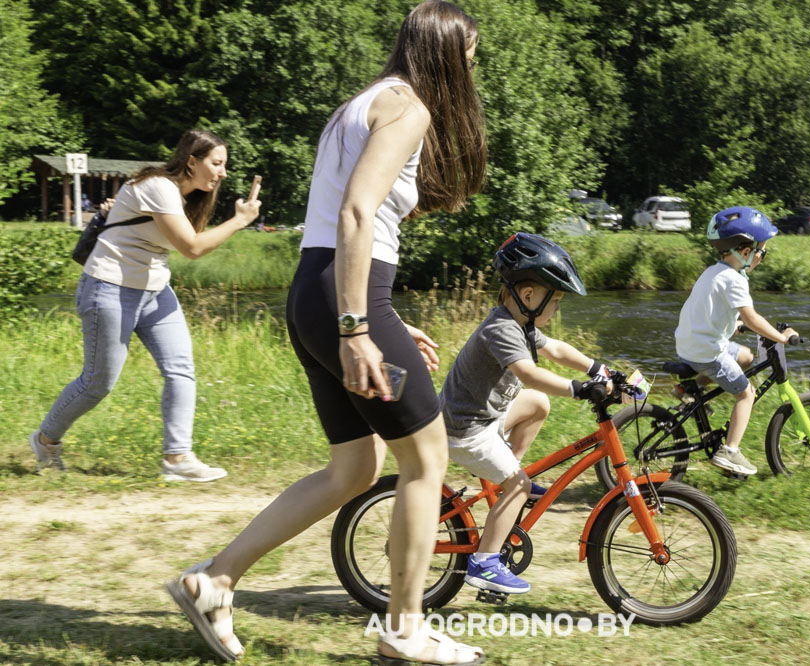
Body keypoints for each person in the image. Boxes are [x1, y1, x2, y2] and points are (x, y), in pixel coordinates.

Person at [166, 2, 488, 664]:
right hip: (342, 304)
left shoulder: (364, 102)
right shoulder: (410, 107)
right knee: (426, 460)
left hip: (316, 294)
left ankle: (214, 580)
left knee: (355, 467)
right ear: (449, 52)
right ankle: (405, 631)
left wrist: (374, 320)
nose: (473, 67)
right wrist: (358, 328)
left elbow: (355, 217)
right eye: (471, 54)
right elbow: (356, 210)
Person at [29, 129, 260, 481]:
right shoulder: (159, 186)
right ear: (191, 161)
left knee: (181, 369)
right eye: (217, 163)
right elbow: (192, 248)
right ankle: (46, 440)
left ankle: (177, 458)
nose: (223, 172)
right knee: (97, 383)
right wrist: (240, 220)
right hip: (109, 287)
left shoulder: (188, 197)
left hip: (155, 290)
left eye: (224, 165)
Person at [440, 233, 610, 595]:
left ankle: (507, 480)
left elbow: (558, 351)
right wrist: (578, 388)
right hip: (465, 429)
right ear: (529, 296)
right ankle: (484, 564)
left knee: (537, 404)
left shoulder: (519, 324)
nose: (558, 310)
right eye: (557, 300)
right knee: (517, 485)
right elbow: (529, 373)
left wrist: (597, 368)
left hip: (484, 419)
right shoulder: (501, 329)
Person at [674, 206, 798, 476]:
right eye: (761, 252)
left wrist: (735, 325)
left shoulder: (713, 272)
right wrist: (780, 338)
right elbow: (753, 318)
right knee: (746, 394)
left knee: (744, 356)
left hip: (689, 345)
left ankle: (689, 391)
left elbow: (709, 313)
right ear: (745, 253)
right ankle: (729, 452)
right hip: (707, 351)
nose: (762, 257)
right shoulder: (735, 280)